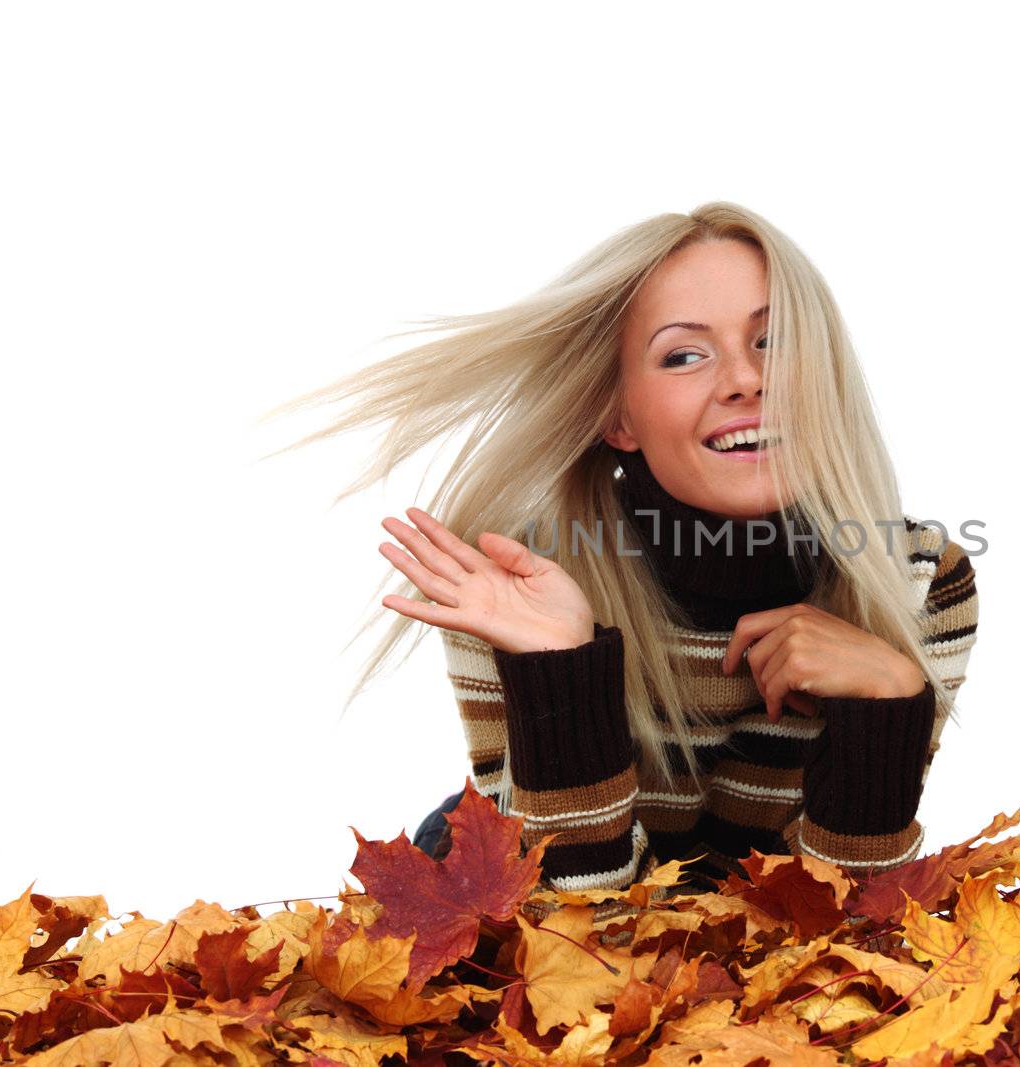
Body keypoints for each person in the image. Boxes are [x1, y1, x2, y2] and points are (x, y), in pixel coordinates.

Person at [261, 202, 979, 894]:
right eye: (684, 355)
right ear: (618, 416)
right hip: (542, 907)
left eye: (775, 340)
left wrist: (889, 705)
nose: (746, 379)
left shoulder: (919, 583)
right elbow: (569, 945)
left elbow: (855, 933)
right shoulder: (525, 581)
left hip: (744, 980)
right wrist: (561, 671)